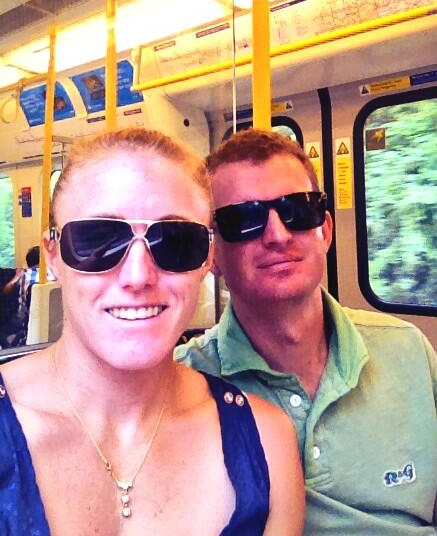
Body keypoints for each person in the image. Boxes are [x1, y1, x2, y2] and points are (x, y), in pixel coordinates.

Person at [175, 128, 437, 536]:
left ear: (327, 230)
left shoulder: (407, 350)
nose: (277, 235)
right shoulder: (180, 384)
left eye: (297, 210)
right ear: (213, 255)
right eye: (244, 220)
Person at [0, 128, 304, 535]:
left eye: (175, 241)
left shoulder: (268, 443)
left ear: (207, 259)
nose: (138, 276)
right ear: (53, 256)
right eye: (98, 240)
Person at [2, 245, 41, 347]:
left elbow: (7, 289)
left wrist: (17, 276)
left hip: (24, 319)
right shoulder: (53, 274)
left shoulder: (25, 274)